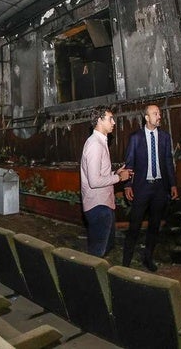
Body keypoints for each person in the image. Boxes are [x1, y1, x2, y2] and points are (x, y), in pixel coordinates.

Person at [122, 104, 178, 271]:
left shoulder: (165, 137)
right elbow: (129, 163)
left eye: (159, 113)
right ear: (147, 118)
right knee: (134, 226)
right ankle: (125, 263)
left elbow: (168, 162)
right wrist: (127, 185)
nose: (159, 116)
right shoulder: (136, 138)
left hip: (160, 188)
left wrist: (173, 184)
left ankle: (148, 258)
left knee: (154, 226)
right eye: (155, 113)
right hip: (142, 188)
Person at [80, 106, 131, 257]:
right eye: (110, 118)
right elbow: (94, 181)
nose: (114, 122)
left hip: (103, 204)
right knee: (97, 254)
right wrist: (119, 178)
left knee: (104, 248)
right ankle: (91, 279)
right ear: (100, 121)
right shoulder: (95, 145)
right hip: (98, 206)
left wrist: (116, 173)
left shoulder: (100, 141)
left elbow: (99, 174)